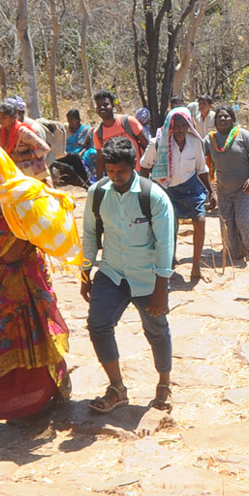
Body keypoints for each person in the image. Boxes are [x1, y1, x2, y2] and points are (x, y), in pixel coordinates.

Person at [0, 140, 80, 431]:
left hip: (26, 278)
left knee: (39, 336)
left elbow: (50, 215)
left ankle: (46, 397)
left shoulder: (21, 190)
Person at [82, 137, 174, 414]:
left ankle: (164, 385)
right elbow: (89, 233)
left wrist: (161, 288)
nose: (115, 177)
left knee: (156, 330)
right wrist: (85, 271)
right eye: (110, 171)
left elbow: (165, 243)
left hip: (147, 275)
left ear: (132, 166)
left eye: (120, 171)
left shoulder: (153, 196)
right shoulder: (98, 192)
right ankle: (117, 388)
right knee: (98, 325)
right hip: (111, 272)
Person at [139, 106, 213, 282]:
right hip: (166, 189)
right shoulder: (157, 143)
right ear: (171, 125)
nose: (180, 129)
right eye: (176, 125)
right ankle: (167, 264)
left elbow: (201, 169)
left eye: (184, 125)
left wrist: (211, 191)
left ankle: (196, 267)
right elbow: (144, 167)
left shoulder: (195, 143)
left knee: (200, 221)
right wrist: (144, 192)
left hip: (190, 188)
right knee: (169, 227)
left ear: (189, 126)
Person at [204, 104, 249, 262]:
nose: (222, 119)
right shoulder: (210, 140)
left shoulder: (243, 135)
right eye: (219, 117)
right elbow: (198, 157)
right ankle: (236, 251)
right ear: (215, 121)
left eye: (226, 116)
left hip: (245, 188)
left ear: (232, 119)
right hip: (223, 190)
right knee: (227, 224)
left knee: (242, 218)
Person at [91, 90, 149, 177]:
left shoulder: (128, 121)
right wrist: (99, 183)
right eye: (98, 105)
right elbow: (100, 159)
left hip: (138, 173)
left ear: (112, 105)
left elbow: (147, 145)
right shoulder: (98, 133)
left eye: (106, 104)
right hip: (116, 177)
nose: (102, 107)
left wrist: (148, 168)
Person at [0, 99, 51, 181]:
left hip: (30, 173)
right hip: (10, 172)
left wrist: (21, 157)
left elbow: (45, 148)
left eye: (4, 118)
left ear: (13, 118)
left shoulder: (23, 132)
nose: (0, 120)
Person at [51, 108, 95, 187]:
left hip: (80, 151)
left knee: (84, 155)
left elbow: (89, 145)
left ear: (77, 120)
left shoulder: (86, 130)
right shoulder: (65, 129)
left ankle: (86, 181)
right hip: (66, 152)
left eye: (72, 120)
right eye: (68, 119)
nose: (69, 122)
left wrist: (82, 152)